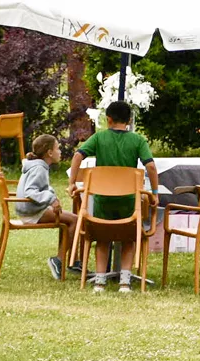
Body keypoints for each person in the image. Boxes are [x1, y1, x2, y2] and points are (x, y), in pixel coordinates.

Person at [68, 101, 157, 293]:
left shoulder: (99, 138)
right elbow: (150, 166)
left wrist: (72, 182)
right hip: (128, 202)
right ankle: (125, 281)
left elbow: (78, 156)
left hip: (103, 201)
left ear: (108, 119)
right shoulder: (138, 140)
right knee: (128, 237)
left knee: (102, 236)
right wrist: (155, 193)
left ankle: (99, 281)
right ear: (130, 120)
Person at [15, 133, 78, 280]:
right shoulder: (39, 168)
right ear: (49, 152)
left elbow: (42, 187)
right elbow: (31, 191)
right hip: (32, 212)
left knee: (68, 220)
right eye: (58, 148)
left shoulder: (38, 166)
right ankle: (59, 260)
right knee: (75, 220)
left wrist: (52, 196)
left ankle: (63, 260)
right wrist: (51, 199)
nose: (60, 151)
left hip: (30, 209)